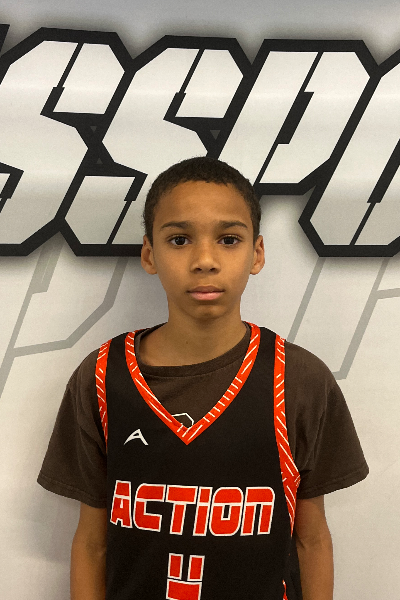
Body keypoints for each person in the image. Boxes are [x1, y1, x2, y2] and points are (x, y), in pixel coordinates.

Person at [38, 156, 368, 600]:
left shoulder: (300, 378)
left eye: (229, 239)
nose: (205, 260)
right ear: (149, 254)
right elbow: (92, 544)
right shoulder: (100, 377)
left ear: (257, 253)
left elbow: (312, 539)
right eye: (180, 239)